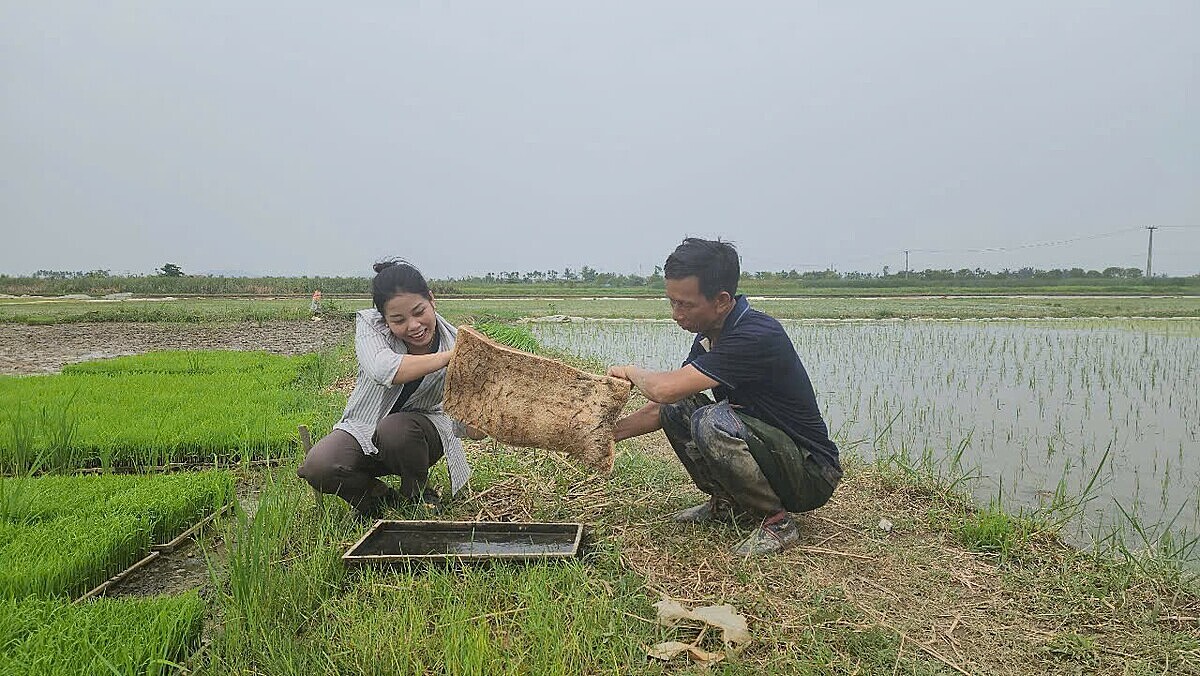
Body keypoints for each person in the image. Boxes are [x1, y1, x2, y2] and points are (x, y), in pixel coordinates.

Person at [607, 238, 842, 556]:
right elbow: (666, 402)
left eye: (685, 304)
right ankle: (727, 503)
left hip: (811, 473)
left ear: (720, 300)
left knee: (711, 419)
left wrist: (631, 372)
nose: (676, 314)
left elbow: (665, 387)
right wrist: (605, 435)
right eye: (672, 302)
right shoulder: (709, 337)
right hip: (772, 454)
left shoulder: (755, 336)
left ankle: (776, 523)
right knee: (679, 408)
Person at [299, 259, 480, 519]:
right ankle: (379, 499)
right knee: (318, 467)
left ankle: (415, 494)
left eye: (419, 312)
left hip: (419, 435)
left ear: (431, 299)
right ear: (384, 319)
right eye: (399, 320)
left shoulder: (454, 341)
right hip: (365, 426)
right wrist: (447, 358)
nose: (414, 326)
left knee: (396, 429)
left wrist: (488, 416)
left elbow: (466, 426)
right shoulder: (370, 326)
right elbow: (382, 368)